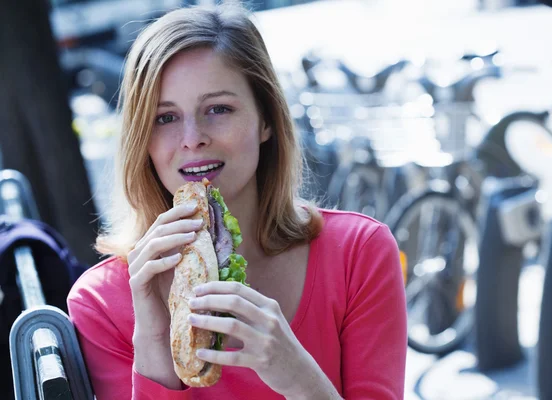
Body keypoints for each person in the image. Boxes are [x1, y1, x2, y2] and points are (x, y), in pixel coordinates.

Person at [67, 4, 407, 399]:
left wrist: (297, 375)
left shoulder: (358, 253)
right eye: (165, 118)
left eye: (218, 109)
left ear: (266, 121)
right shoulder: (101, 303)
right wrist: (156, 341)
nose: (192, 138)